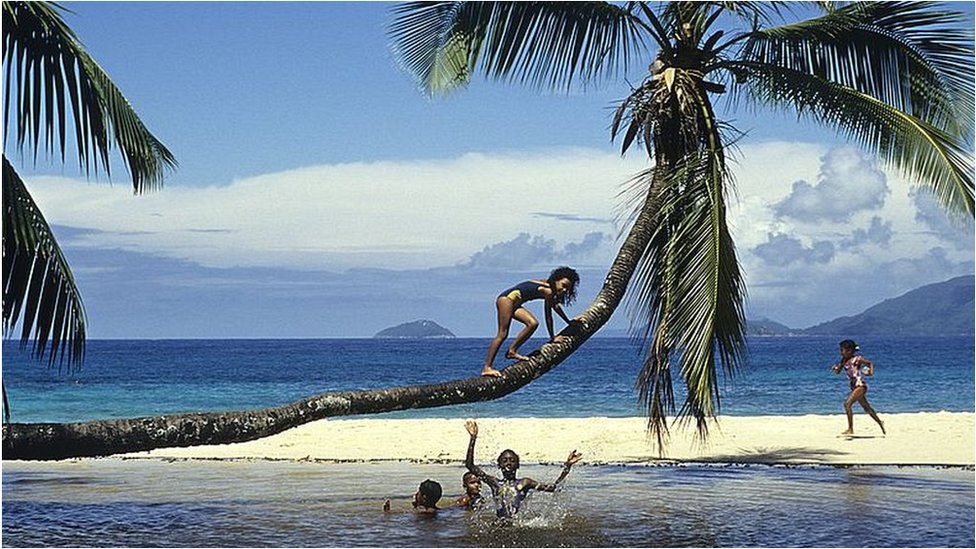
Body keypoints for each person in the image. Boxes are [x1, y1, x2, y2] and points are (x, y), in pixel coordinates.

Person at [463, 419, 582, 518]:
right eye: (504, 461)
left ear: (518, 465)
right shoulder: (494, 483)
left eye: (512, 460)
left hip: (516, 525)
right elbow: (470, 465)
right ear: (499, 465)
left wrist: (567, 466)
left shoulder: (525, 482)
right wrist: (473, 437)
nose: (508, 463)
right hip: (500, 526)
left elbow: (553, 488)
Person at [481, 266, 580, 377]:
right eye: (564, 285)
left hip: (515, 303)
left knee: (532, 324)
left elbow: (555, 306)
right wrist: (553, 337)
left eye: (568, 288)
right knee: (502, 334)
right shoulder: (548, 290)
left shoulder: (548, 285)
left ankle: (512, 351)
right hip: (506, 300)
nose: (565, 290)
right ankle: (487, 367)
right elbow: (548, 316)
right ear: (557, 280)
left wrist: (568, 322)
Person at [831, 339, 886, 436]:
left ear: (849, 350)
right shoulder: (844, 361)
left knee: (847, 404)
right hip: (854, 387)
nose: (840, 352)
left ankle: (850, 429)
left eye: (842, 350)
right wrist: (835, 369)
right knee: (867, 408)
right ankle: (879, 422)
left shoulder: (858, 359)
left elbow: (870, 363)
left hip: (860, 386)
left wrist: (870, 372)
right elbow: (838, 371)